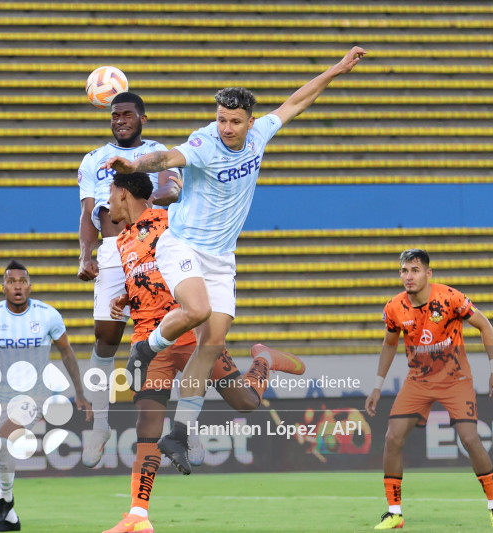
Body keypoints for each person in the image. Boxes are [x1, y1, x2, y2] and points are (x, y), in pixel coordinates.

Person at [101, 47, 367, 472]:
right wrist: (135, 162)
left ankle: (178, 434)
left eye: (234, 121)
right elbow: (168, 158)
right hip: (183, 244)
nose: (226, 127)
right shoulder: (205, 142)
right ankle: (145, 350)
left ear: (248, 121)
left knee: (211, 344)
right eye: (222, 119)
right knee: (198, 310)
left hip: (222, 258)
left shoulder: (260, 134)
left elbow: (297, 102)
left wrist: (336, 69)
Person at [99, 172, 305, 532]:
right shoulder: (122, 240)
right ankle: (138, 515)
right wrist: (126, 296)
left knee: (245, 403)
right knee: (147, 425)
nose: (107, 202)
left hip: (192, 334)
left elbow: (191, 266)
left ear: (125, 193)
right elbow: (150, 277)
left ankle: (264, 360)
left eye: (111, 194)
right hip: (150, 341)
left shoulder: (169, 222)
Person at [0, 260, 92, 533]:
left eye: (22, 281)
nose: (18, 286)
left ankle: (4, 503)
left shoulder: (48, 315)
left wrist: (79, 391)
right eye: (12, 281)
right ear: (4, 287)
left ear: (30, 286)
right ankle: (8, 516)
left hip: (34, 395)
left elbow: (67, 353)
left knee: (3, 440)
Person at [365, 249, 493, 529]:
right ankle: (394, 513)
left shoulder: (450, 298)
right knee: (393, 437)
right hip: (418, 380)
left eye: (415, 270)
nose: (409, 276)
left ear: (428, 273)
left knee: (469, 439)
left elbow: (486, 326)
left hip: (455, 379)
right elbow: (390, 344)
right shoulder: (394, 308)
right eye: (404, 271)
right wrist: (377, 387)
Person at [78, 91, 181, 467]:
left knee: (172, 334)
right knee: (106, 337)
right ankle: (100, 424)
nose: (119, 119)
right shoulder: (93, 160)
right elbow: (89, 211)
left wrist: (143, 196)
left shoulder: (158, 151)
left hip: (155, 245)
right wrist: (84, 254)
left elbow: (172, 187)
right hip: (111, 249)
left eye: (127, 114)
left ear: (143, 118)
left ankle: (183, 427)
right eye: (114, 114)